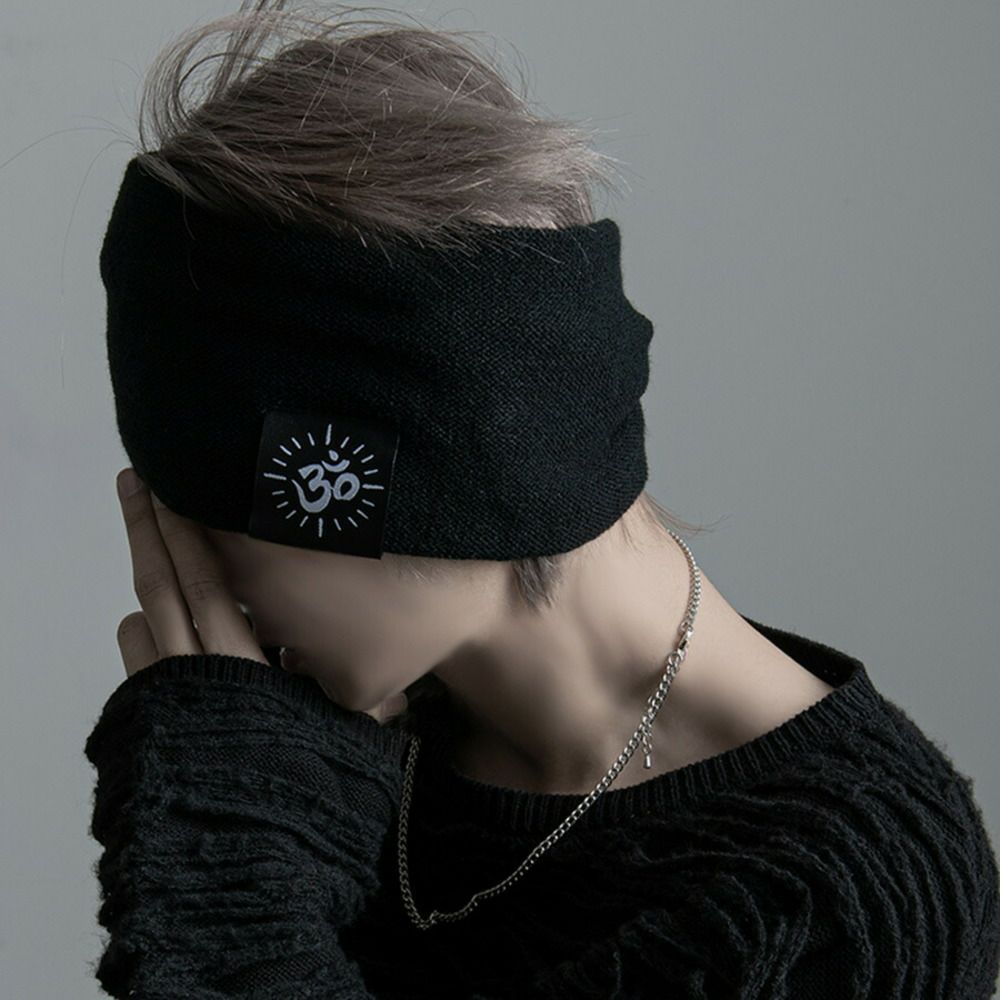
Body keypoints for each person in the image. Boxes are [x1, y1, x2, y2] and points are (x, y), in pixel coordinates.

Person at [84, 3, 1000, 997]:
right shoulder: (340, 744)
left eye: (214, 521)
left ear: (375, 486)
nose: (193, 581)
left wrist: (229, 859)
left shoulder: (836, 902)